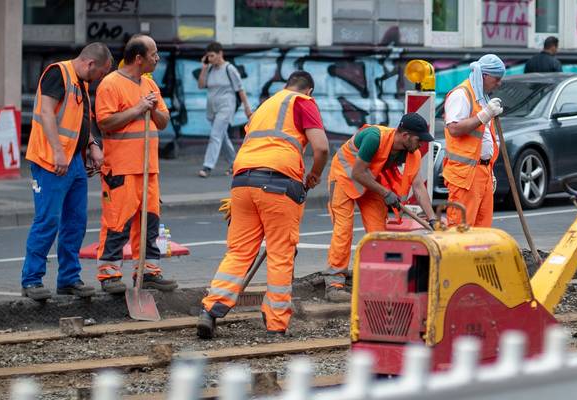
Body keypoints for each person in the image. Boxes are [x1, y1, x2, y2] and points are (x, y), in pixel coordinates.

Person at [197, 71, 330, 338]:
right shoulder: (302, 102)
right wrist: (314, 175)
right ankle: (276, 323)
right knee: (280, 254)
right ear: (309, 90)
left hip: (243, 181)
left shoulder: (264, 107)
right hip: (279, 184)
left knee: (238, 252)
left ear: (286, 85)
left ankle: (210, 311)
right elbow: (322, 148)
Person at [20, 43, 113, 301]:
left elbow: (82, 122)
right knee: (48, 220)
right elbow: (46, 112)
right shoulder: (58, 73)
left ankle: (69, 279)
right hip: (51, 161)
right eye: (101, 74)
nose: (100, 80)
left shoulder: (80, 83)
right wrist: (58, 151)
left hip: (74, 162)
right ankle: (31, 280)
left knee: (75, 222)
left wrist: (93, 145)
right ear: (90, 64)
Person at [93, 35, 178, 294]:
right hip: (121, 168)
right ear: (138, 58)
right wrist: (138, 107)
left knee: (150, 222)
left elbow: (162, 122)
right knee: (117, 222)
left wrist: (151, 109)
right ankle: (109, 274)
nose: (158, 58)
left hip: (149, 169)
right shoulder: (110, 84)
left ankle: (149, 271)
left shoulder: (150, 84)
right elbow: (104, 123)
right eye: (154, 54)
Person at [322, 113, 438, 301]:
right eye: (419, 140)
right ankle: (334, 283)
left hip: (371, 180)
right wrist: (385, 193)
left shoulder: (412, 153)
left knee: (378, 233)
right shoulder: (374, 137)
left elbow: (418, 187)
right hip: (344, 176)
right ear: (406, 136)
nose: (421, 145)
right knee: (343, 229)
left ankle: (376, 280)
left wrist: (432, 219)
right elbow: (358, 172)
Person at [443, 54, 505, 228]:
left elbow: (485, 138)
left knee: (482, 230)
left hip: (482, 173)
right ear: (484, 75)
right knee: (461, 230)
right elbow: (454, 129)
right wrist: (484, 115)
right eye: (497, 79)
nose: (499, 83)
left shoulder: (481, 97)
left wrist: (489, 171)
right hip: (465, 176)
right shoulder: (461, 94)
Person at [197, 42, 253, 178]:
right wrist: (204, 68)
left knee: (215, 135)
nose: (210, 59)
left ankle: (207, 166)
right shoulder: (209, 69)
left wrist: (247, 107)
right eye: (208, 56)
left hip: (226, 107)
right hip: (212, 108)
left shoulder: (229, 69)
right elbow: (201, 85)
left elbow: (240, 89)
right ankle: (235, 164)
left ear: (220, 54)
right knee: (222, 136)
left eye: (212, 56)